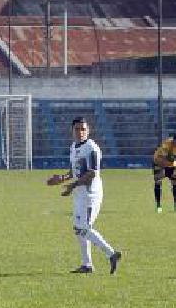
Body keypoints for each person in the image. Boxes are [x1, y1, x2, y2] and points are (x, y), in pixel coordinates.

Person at [46, 117, 121, 275]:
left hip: (90, 194)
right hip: (80, 192)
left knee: (83, 229)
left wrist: (72, 186)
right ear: (72, 131)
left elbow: (92, 173)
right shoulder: (74, 147)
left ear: (88, 131)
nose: (80, 132)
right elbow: (75, 170)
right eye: (77, 129)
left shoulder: (91, 148)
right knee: (78, 229)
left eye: (83, 129)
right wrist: (61, 178)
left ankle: (111, 254)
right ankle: (87, 265)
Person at [152, 133, 176, 213]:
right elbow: (162, 159)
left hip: (170, 162)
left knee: (175, 181)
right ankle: (158, 206)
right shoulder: (167, 145)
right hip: (159, 161)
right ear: (174, 141)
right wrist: (164, 171)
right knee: (158, 180)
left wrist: (175, 168)